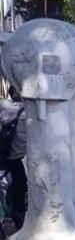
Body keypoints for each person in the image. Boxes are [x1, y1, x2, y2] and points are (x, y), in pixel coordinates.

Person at [0, 87, 28, 228]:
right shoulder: (28, 113)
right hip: (20, 158)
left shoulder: (6, 112)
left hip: (7, 155)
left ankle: (12, 210)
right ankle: (17, 213)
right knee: (20, 186)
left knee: (14, 185)